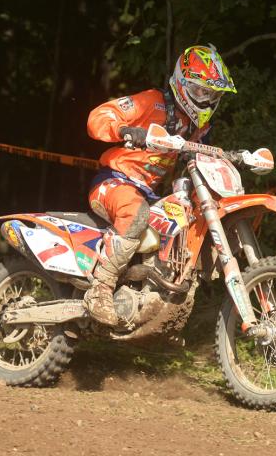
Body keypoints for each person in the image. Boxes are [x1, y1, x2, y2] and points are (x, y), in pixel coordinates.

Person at [83, 45, 236, 327]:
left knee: (184, 220)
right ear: (182, 83)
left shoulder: (198, 128)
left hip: (149, 194)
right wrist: (124, 129)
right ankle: (100, 289)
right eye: (200, 90)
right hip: (114, 181)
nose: (206, 98)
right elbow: (99, 117)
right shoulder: (152, 102)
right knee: (137, 213)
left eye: (212, 94)